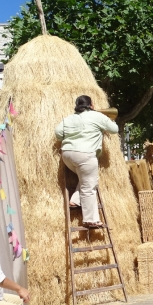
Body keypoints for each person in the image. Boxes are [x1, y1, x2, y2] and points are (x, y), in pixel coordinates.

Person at [54, 95, 118, 228]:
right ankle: (90, 219)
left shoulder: (69, 118)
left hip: (67, 155)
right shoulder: (97, 116)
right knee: (89, 187)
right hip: (86, 155)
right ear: (91, 105)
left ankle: (75, 200)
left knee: (85, 179)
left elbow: (58, 134)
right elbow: (114, 130)